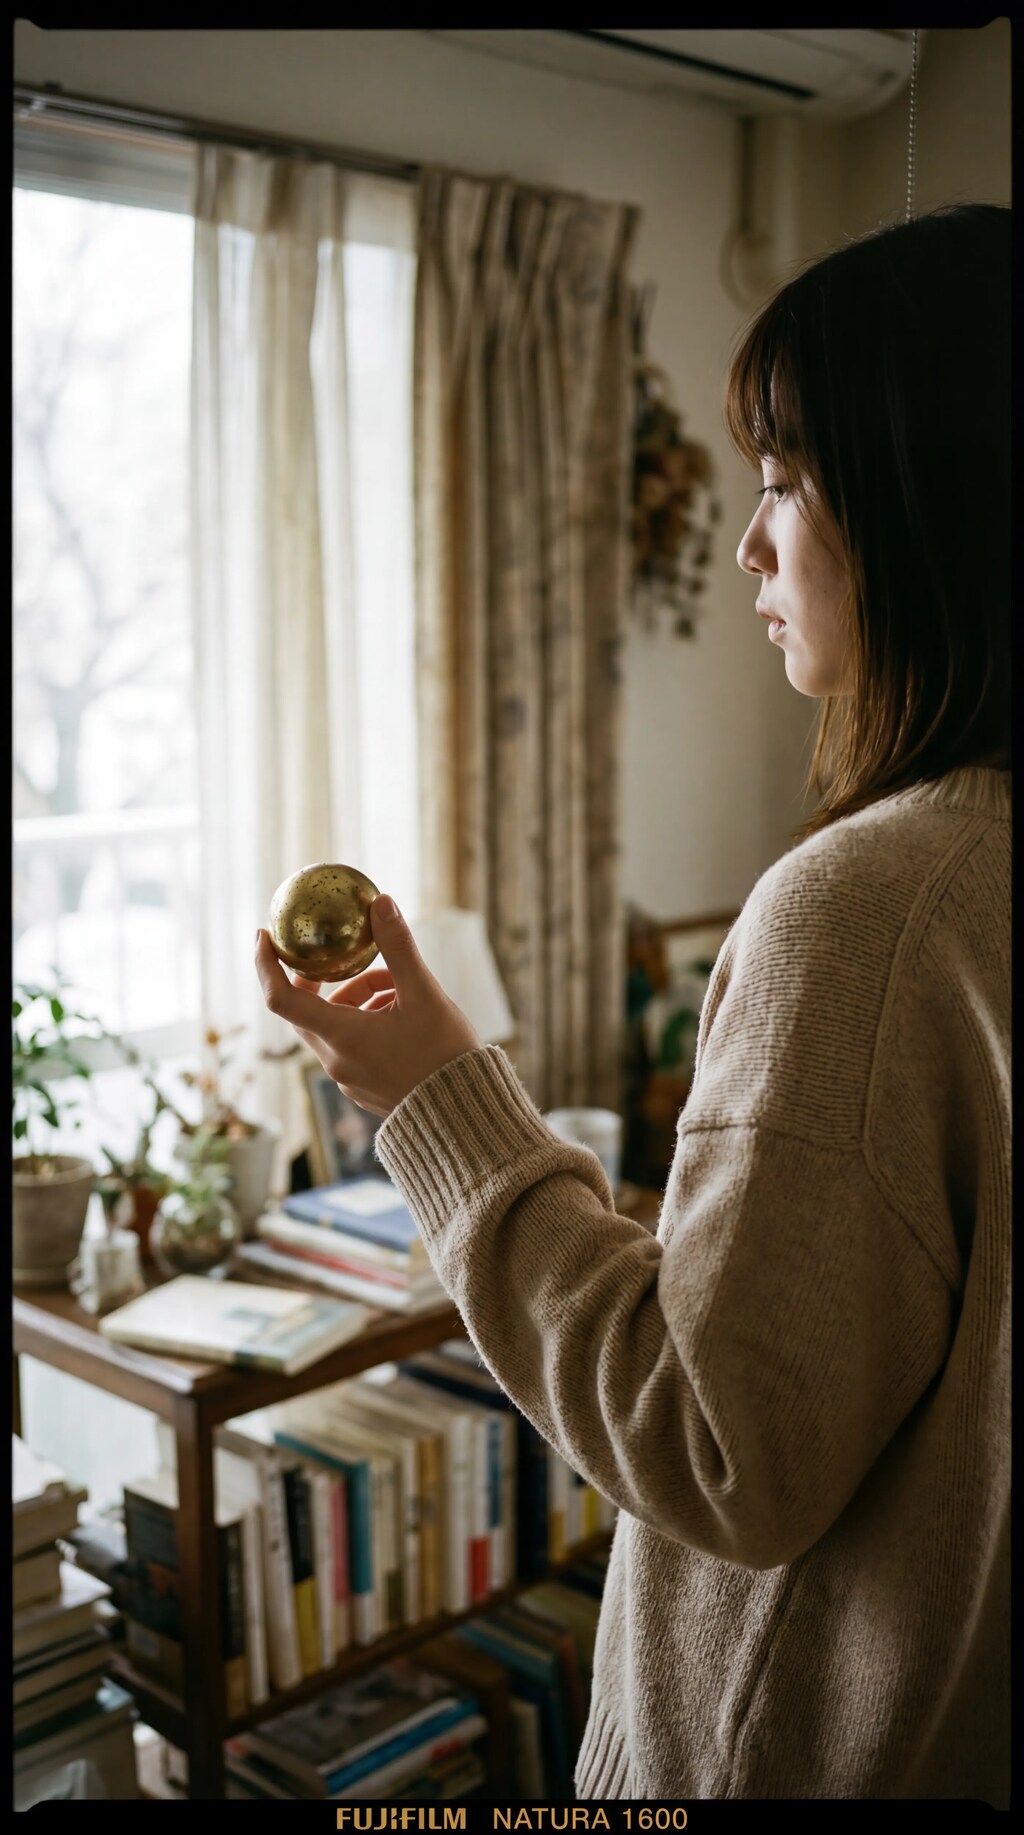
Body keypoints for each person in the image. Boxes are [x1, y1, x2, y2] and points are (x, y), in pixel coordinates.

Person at [254, 204, 1010, 1803]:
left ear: (931, 498)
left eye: (787, 480)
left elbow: (722, 1450)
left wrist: (436, 1098)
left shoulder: (872, 913)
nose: (749, 545)